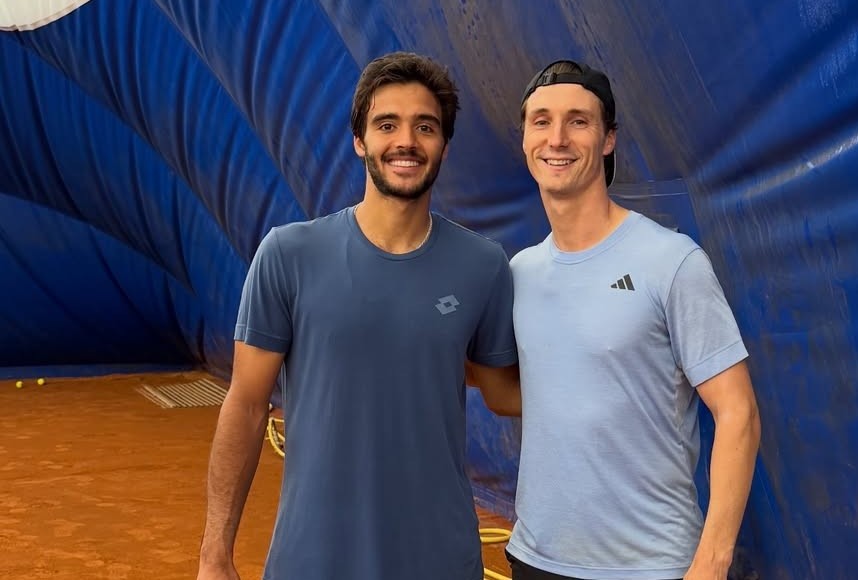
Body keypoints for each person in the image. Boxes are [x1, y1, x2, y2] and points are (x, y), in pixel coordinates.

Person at [196, 52, 520, 580]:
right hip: (312, 561)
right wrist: (214, 555)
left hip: (438, 561)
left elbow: (505, 392)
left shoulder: (484, 266)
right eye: (386, 124)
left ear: (444, 145)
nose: (406, 141)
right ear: (359, 140)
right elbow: (247, 405)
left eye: (425, 126)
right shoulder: (288, 255)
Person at [506, 60, 761, 579]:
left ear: (608, 139)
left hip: (651, 566)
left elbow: (739, 413)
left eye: (578, 121)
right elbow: (527, 391)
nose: (557, 138)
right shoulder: (520, 272)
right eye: (541, 121)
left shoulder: (671, 261)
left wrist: (711, 563)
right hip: (535, 559)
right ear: (525, 139)